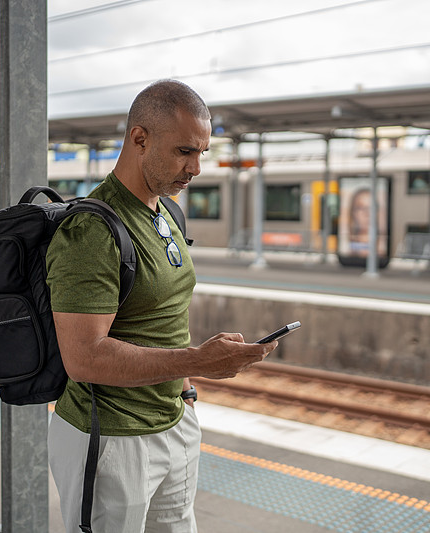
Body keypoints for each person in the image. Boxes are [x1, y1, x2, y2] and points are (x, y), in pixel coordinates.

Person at [46, 79, 277, 532]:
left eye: (201, 153)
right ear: (139, 139)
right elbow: (84, 358)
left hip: (174, 422)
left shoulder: (166, 212)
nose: (195, 168)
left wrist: (186, 393)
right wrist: (199, 361)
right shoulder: (91, 231)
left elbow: (165, 315)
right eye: (184, 151)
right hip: (112, 439)